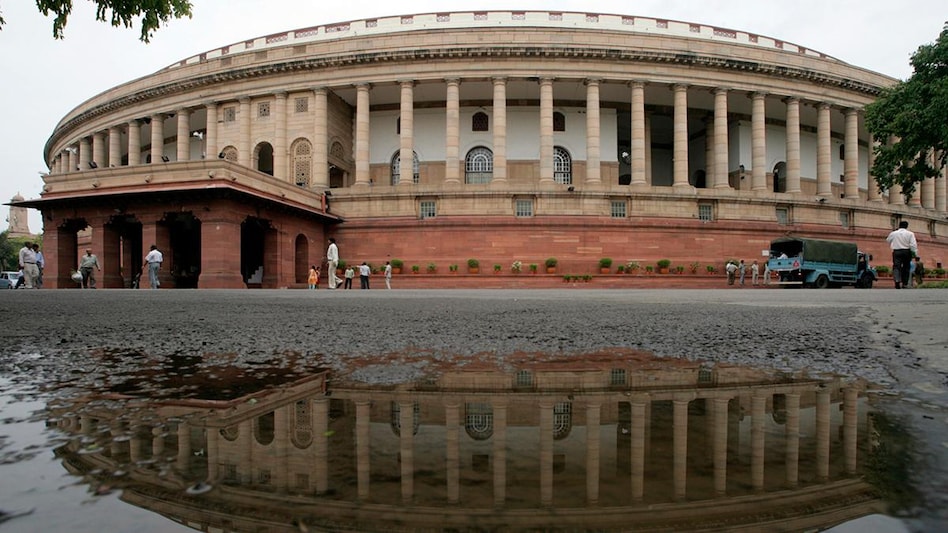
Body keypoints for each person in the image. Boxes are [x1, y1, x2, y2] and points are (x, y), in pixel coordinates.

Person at [886, 220, 918, 289]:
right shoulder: (910, 234)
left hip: (897, 251)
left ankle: (897, 281)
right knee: (906, 267)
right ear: (907, 226)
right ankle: (904, 283)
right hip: (907, 251)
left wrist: (893, 244)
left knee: (896, 266)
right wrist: (915, 253)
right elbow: (913, 245)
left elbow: (888, 240)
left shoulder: (894, 233)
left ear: (899, 226)